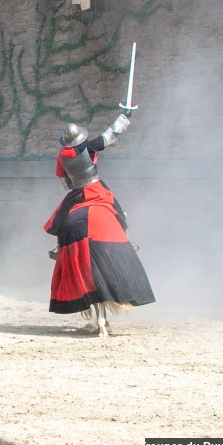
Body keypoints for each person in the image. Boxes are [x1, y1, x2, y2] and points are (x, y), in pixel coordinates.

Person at [43, 113, 155, 315]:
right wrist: (125, 116)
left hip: (76, 192)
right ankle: (128, 242)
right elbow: (110, 135)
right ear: (80, 138)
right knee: (120, 214)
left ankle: (59, 249)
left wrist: (74, 185)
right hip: (96, 188)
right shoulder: (89, 147)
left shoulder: (61, 156)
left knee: (59, 221)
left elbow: (64, 181)